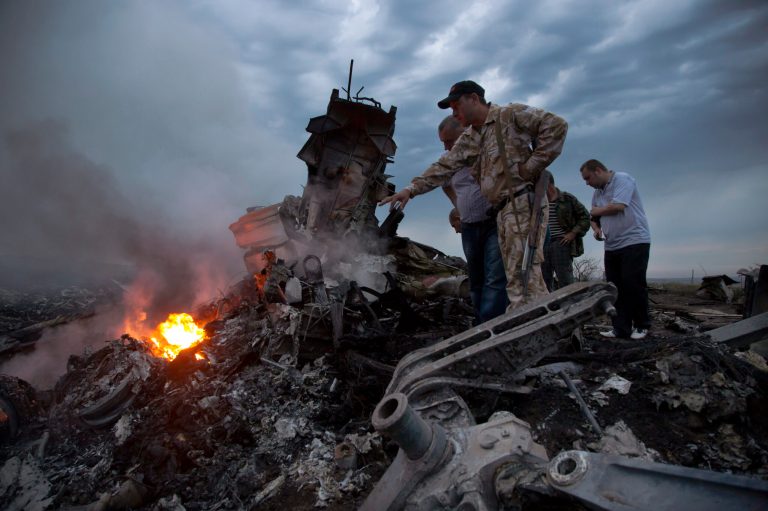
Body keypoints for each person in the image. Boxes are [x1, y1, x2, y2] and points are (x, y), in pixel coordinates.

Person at [380, 80, 568, 310]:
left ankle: (528, 328)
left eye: (456, 105)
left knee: (523, 274)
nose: (454, 112)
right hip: (502, 211)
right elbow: (444, 165)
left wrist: (530, 167)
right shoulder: (472, 137)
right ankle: (539, 325)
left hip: (521, 202)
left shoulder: (509, 115)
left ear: (474, 99)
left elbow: (556, 125)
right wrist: (410, 190)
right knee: (520, 277)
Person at [439, 115, 508, 323]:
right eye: (442, 142)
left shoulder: (485, 151)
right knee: (476, 279)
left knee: (495, 277)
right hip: (469, 226)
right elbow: (444, 184)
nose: (446, 146)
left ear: (464, 133)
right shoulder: (448, 160)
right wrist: (459, 206)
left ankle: (492, 327)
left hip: (493, 222)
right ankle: (481, 324)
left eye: (449, 140)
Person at [580, 159, 651, 340]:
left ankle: (642, 325)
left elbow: (618, 206)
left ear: (597, 170)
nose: (587, 183)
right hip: (612, 245)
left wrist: (597, 211)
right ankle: (621, 328)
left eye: (588, 178)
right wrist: (596, 230)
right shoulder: (598, 192)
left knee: (633, 284)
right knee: (615, 288)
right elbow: (593, 216)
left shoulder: (622, 179)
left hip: (634, 241)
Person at [542, 174, 590, 291]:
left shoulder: (567, 199)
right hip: (542, 244)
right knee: (543, 281)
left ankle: (572, 305)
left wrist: (573, 233)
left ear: (548, 184)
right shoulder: (538, 202)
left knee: (565, 279)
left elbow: (585, 217)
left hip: (561, 243)